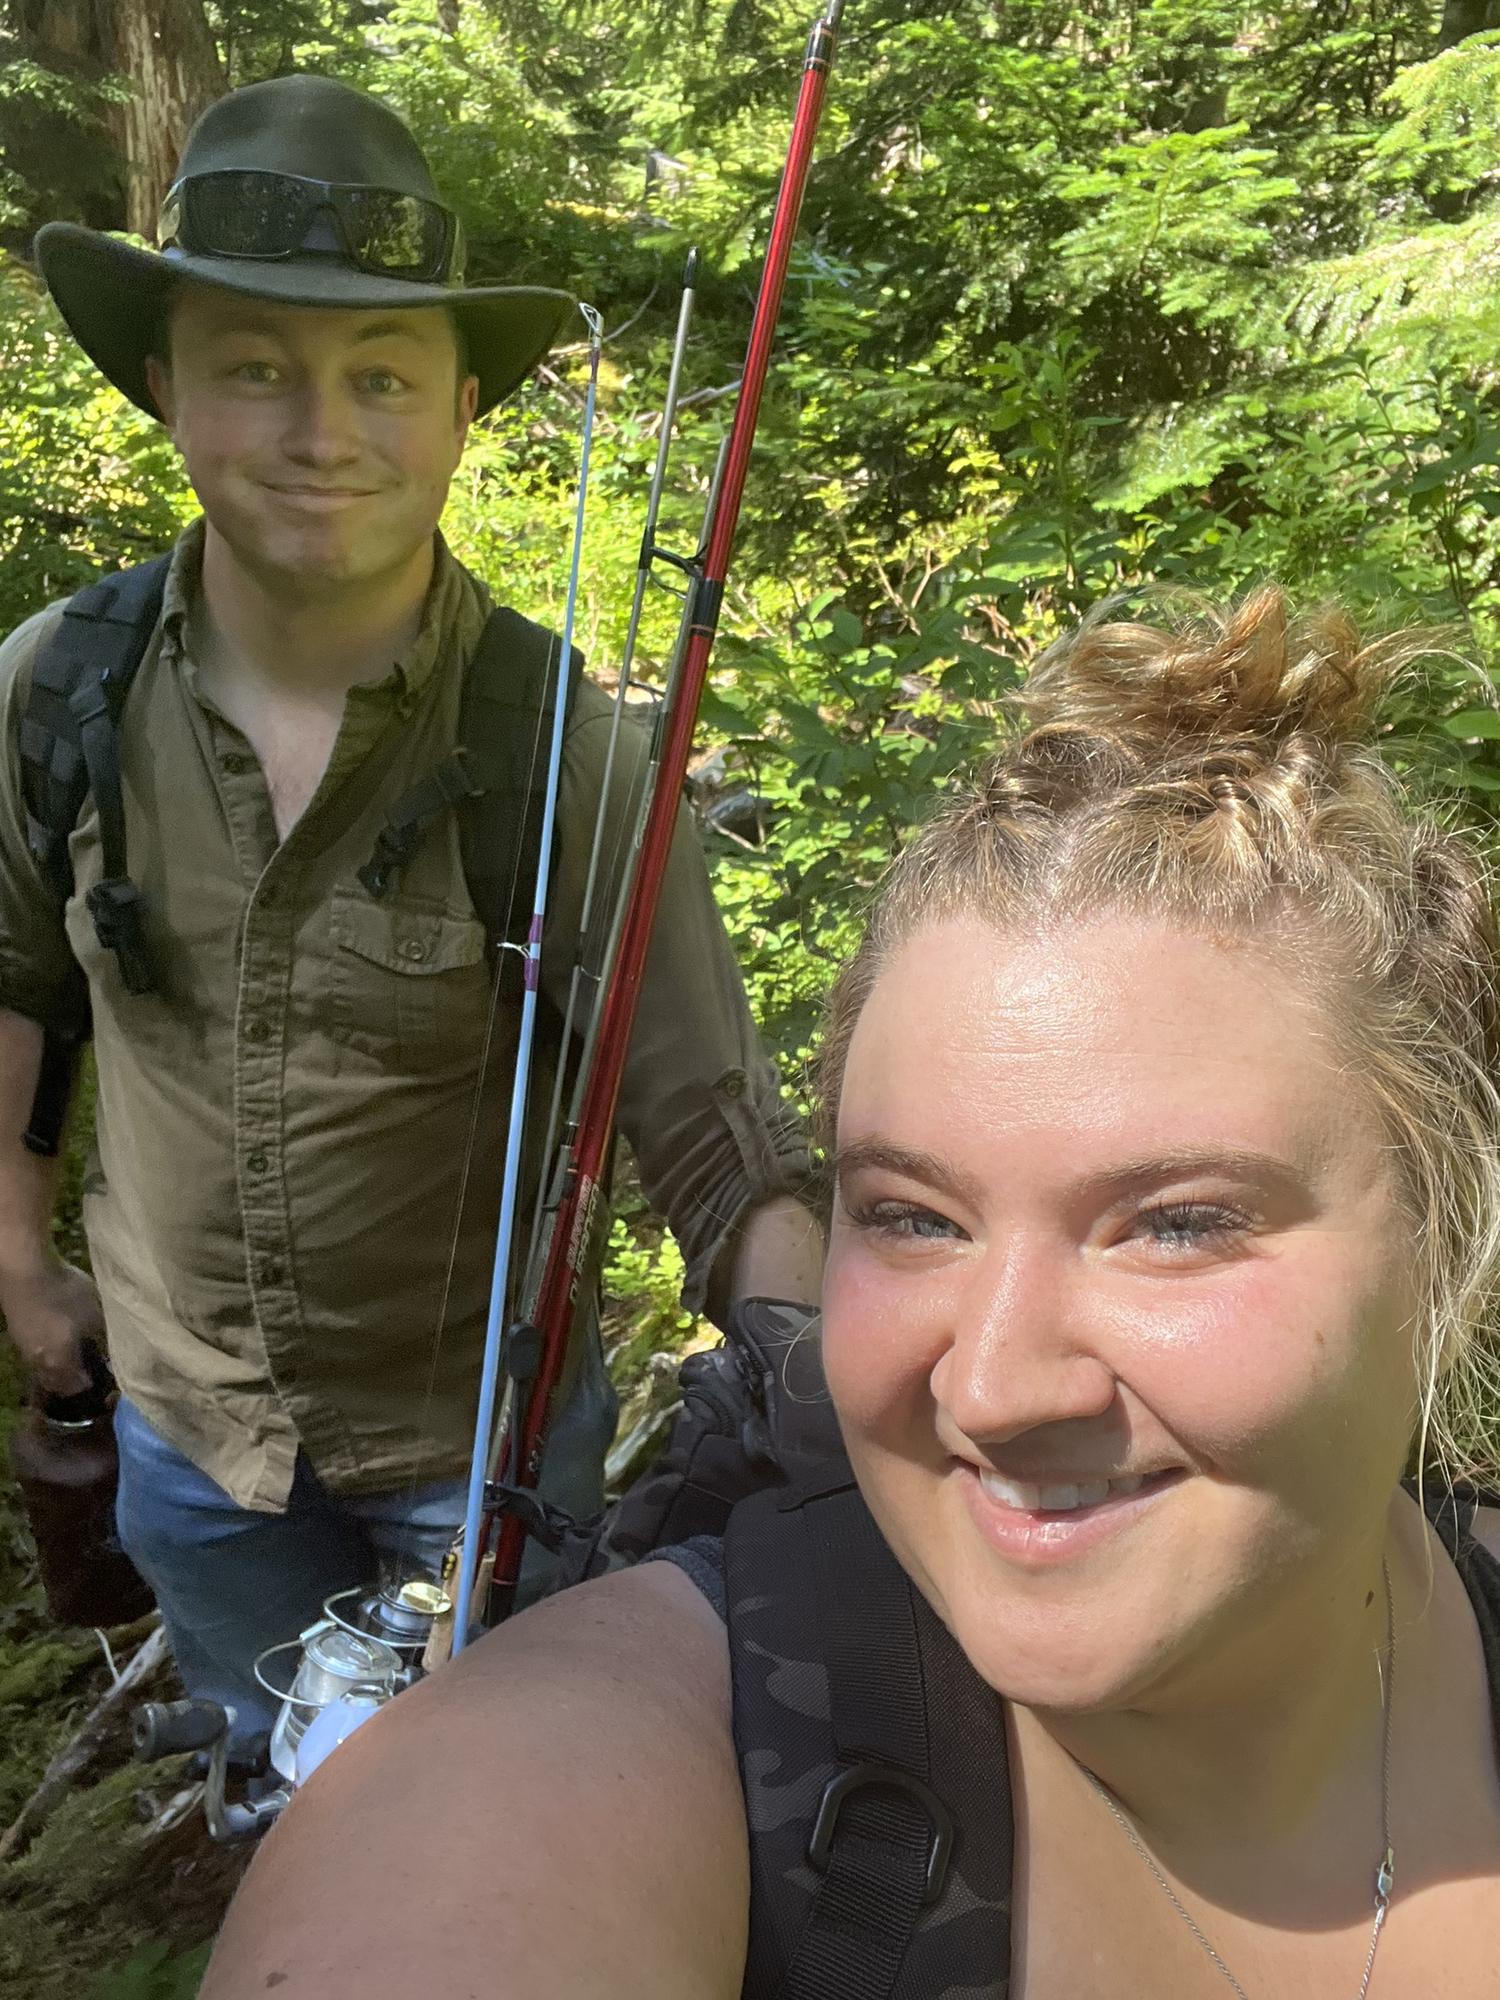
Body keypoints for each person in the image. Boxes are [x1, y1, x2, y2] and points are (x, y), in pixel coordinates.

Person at [202, 586, 1500, 1997]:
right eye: (913, 1219)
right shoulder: (574, 1770)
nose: (991, 1389)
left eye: (1175, 1226)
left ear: (1449, 1238)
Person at [0, 75, 820, 1751]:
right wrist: (19, 1264)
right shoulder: (53, 692)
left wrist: (824, 1381)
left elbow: (711, 1125)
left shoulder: (559, 750)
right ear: (163, 385)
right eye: (255, 367)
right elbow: (18, 980)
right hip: (184, 1446)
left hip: (486, 1453)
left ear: (460, 412)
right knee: (269, 1781)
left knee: (498, 1817)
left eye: (382, 376)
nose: (324, 433)